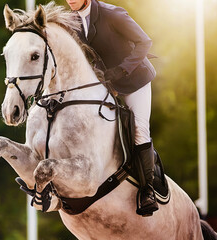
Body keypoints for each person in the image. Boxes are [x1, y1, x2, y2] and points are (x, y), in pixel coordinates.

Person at [65, 0, 158, 216]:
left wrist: (122, 70)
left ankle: (148, 191)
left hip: (135, 80)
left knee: (139, 130)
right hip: (105, 83)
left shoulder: (112, 14)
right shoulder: (71, 20)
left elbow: (145, 42)